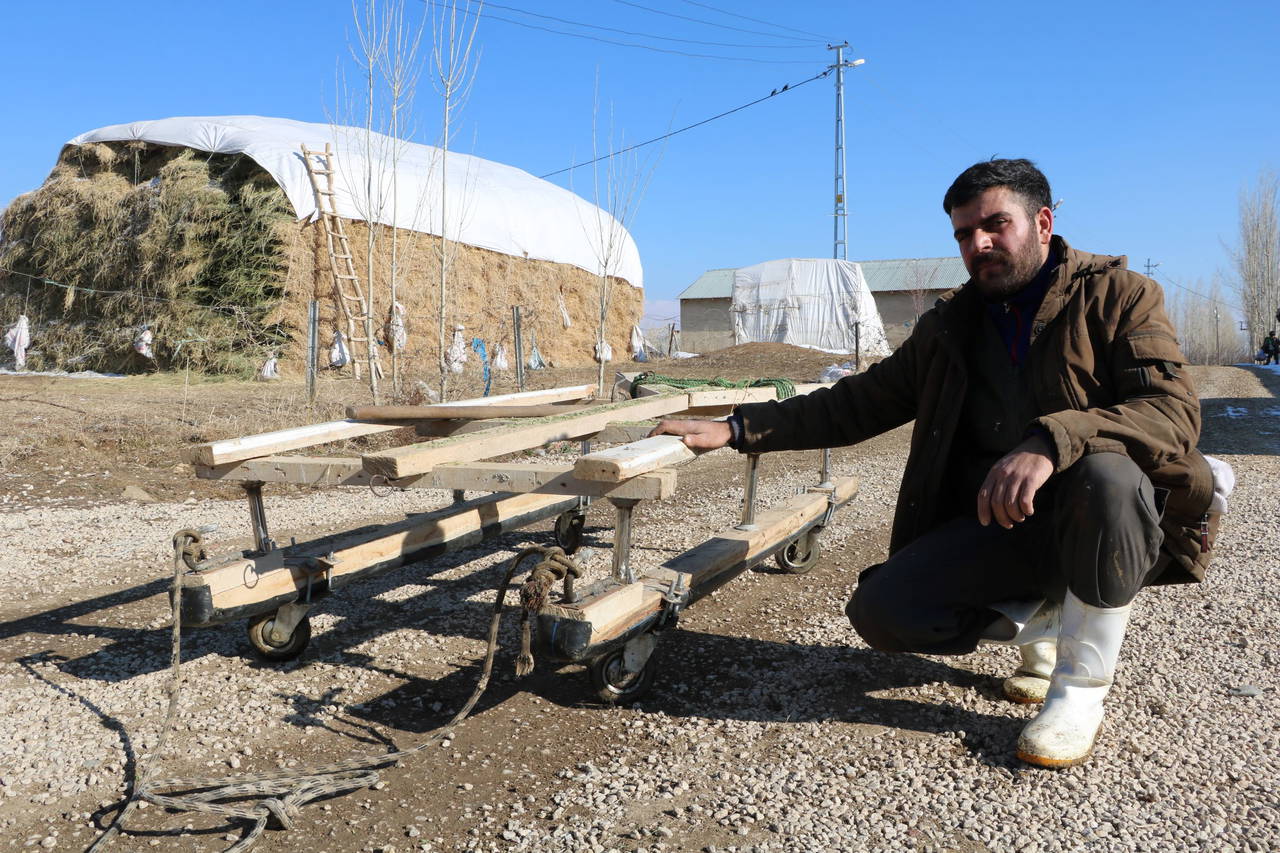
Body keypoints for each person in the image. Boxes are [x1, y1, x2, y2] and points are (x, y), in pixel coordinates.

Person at [651, 159, 1219, 769]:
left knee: (1106, 476)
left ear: (1043, 223)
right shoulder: (951, 324)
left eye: (996, 225)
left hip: (1106, 515)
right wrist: (738, 427)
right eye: (964, 234)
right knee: (884, 614)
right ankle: (1052, 619)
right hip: (1004, 521)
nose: (979, 244)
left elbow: (1171, 412)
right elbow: (858, 403)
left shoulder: (1119, 296)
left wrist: (1052, 440)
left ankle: (1079, 692)